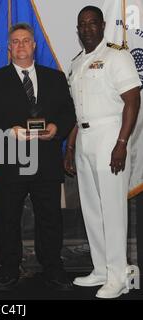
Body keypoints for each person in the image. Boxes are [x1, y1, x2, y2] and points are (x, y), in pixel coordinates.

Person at [0, 23, 76, 291]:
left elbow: (68, 113)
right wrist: (9, 131)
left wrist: (57, 129)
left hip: (46, 161)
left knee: (50, 217)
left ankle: (53, 267)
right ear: (9, 48)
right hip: (10, 160)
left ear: (34, 45)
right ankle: (9, 268)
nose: (21, 45)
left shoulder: (55, 78)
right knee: (7, 218)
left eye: (26, 41)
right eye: (16, 42)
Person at [64, 6, 141, 299]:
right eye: (81, 24)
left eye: (92, 23)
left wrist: (122, 143)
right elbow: (78, 110)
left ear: (103, 25)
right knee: (92, 209)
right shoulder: (77, 63)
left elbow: (133, 101)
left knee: (112, 209)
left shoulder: (116, 56)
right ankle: (101, 269)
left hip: (110, 135)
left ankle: (118, 275)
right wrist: (70, 146)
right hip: (84, 138)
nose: (86, 29)